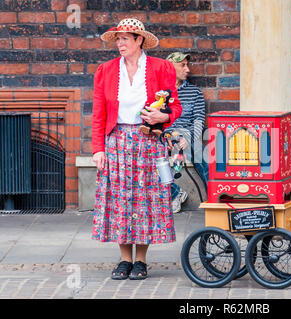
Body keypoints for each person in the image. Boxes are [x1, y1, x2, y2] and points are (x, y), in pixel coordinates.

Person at [91, 18, 182, 280]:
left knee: (146, 200)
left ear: (139, 40)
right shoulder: (106, 70)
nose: (120, 44)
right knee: (120, 199)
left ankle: (141, 261)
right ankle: (124, 260)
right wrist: (98, 148)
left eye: (125, 39)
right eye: (117, 39)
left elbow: (175, 107)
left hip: (148, 141)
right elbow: (98, 113)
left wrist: (162, 118)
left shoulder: (162, 67)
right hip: (116, 140)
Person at [165, 52, 208, 213]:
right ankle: (175, 193)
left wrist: (188, 138)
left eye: (187, 65)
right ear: (170, 67)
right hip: (165, 137)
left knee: (205, 159)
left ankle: (215, 201)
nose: (187, 69)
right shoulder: (159, 92)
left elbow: (198, 120)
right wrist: (166, 136)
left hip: (188, 135)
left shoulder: (195, 93)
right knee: (148, 159)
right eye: (182, 65)